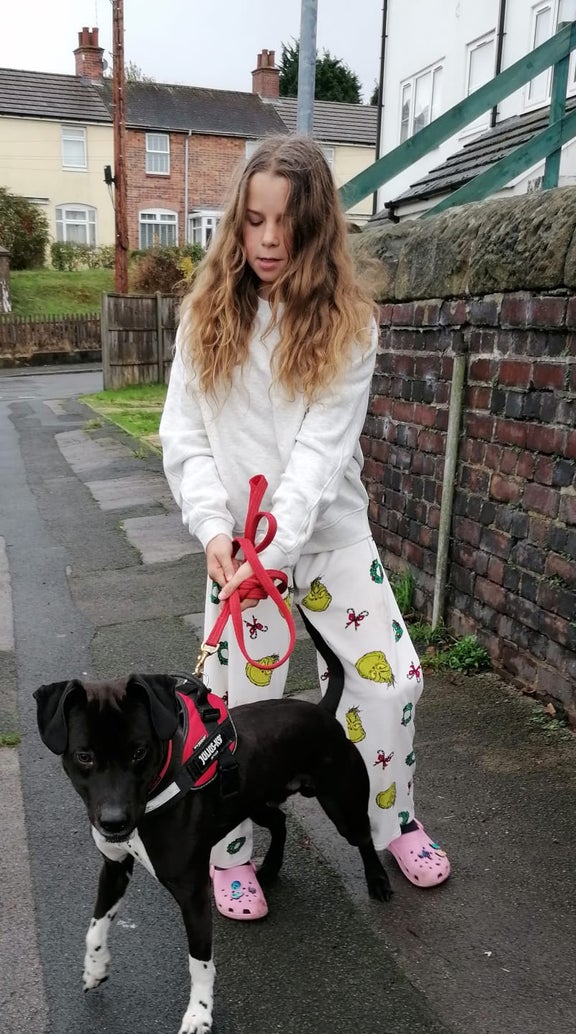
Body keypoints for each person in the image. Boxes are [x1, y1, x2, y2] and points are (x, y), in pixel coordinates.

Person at [159, 135, 450, 921]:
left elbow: (322, 454)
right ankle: (228, 853)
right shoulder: (203, 317)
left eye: (286, 223)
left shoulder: (350, 325)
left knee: (392, 680)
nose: (267, 240)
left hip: (330, 535)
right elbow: (184, 437)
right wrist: (214, 531)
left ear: (317, 226)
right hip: (236, 551)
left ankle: (390, 820)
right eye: (253, 221)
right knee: (235, 708)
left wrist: (277, 549)